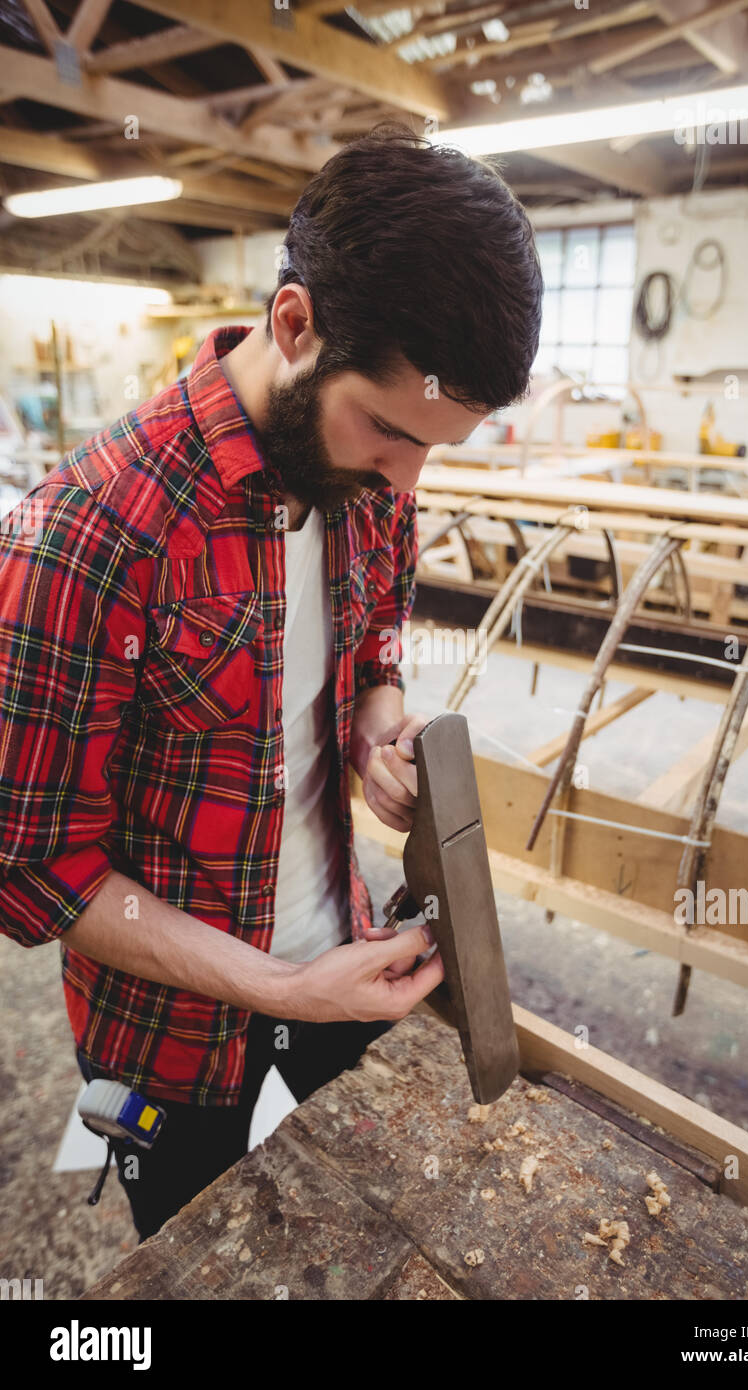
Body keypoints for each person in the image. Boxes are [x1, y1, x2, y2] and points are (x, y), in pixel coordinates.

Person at [0, 123, 543, 1241]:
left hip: (346, 953)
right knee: (205, 1251)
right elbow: (39, 869)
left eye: (432, 449)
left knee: (351, 1235)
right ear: (295, 323)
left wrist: (375, 727)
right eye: (390, 433)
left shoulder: (368, 473)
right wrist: (285, 990)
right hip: (170, 1038)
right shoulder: (87, 535)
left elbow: (375, 633)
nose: (405, 479)